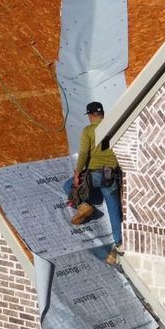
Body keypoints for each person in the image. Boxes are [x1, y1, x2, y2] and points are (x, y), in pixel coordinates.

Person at [62, 101, 124, 258]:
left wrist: (77, 174)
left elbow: (83, 154)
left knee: (69, 185)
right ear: (102, 113)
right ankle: (119, 244)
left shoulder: (88, 131)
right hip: (111, 175)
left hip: (94, 174)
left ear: (90, 116)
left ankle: (85, 206)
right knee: (113, 208)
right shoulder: (115, 126)